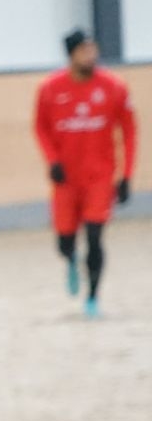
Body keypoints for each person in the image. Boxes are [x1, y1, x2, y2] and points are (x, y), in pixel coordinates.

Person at [35, 28, 136, 318]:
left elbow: (130, 131)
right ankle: (70, 259)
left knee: (94, 236)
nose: (91, 56)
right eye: (84, 51)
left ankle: (92, 297)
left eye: (93, 50)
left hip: (99, 178)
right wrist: (52, 161)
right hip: (67, 179)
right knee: (64, 242)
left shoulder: (113, 87)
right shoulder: (50, 89)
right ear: (72, 55)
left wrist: (126, 175)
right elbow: (40, 127)